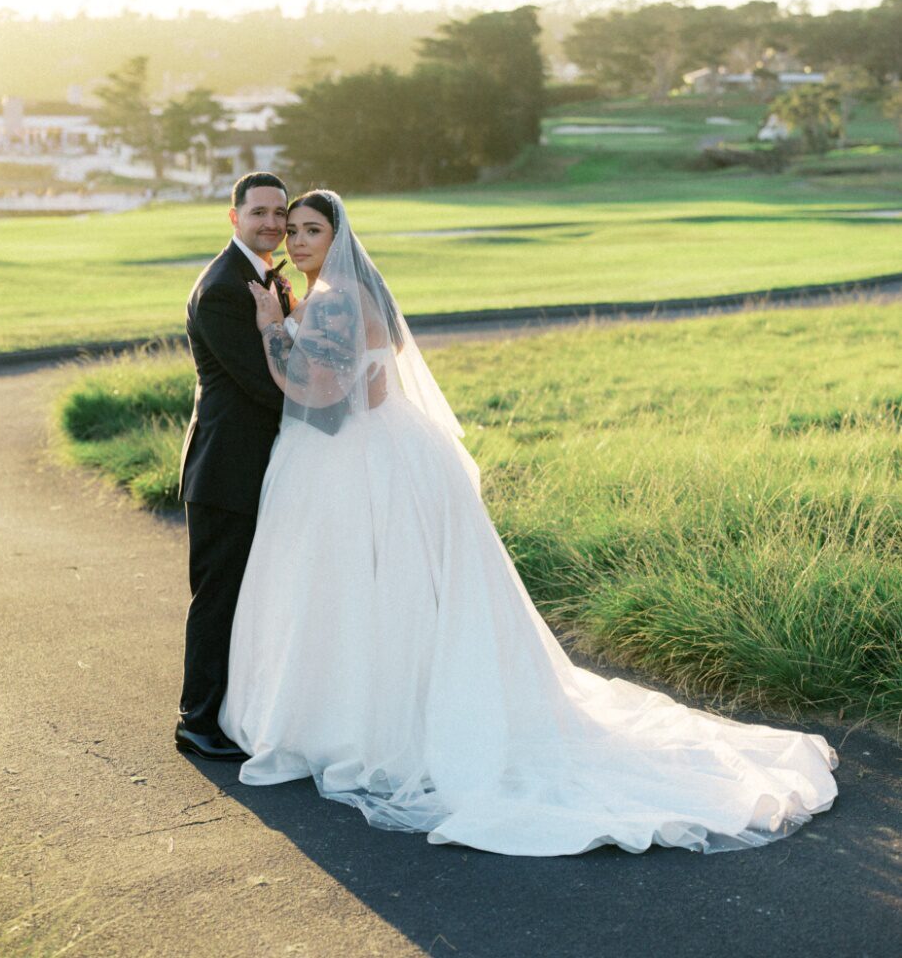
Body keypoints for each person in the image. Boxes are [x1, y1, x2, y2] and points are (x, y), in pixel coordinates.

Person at [219, 189, 838, 856]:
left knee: (372, 586)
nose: (298, 240)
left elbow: (318, 390)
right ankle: (377, 709)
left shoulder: (336, 296)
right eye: (294, 230)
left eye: (313, 230)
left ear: (338, 238)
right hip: (383, 453)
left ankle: (365, 722)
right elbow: (370, 381)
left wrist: (268, 329)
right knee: (388, 588)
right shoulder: (339, 293)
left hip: (360, 464)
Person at [175, 172, 292, 760]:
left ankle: (232, 710)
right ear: (234, 217)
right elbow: (263, 384)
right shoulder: (224, 287)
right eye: (259, 213)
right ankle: (197, 721)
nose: (271, 223)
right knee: (219, 597)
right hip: (226, 469)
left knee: (250, 595)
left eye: (281, 213)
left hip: (257, 466)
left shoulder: (265, 280)